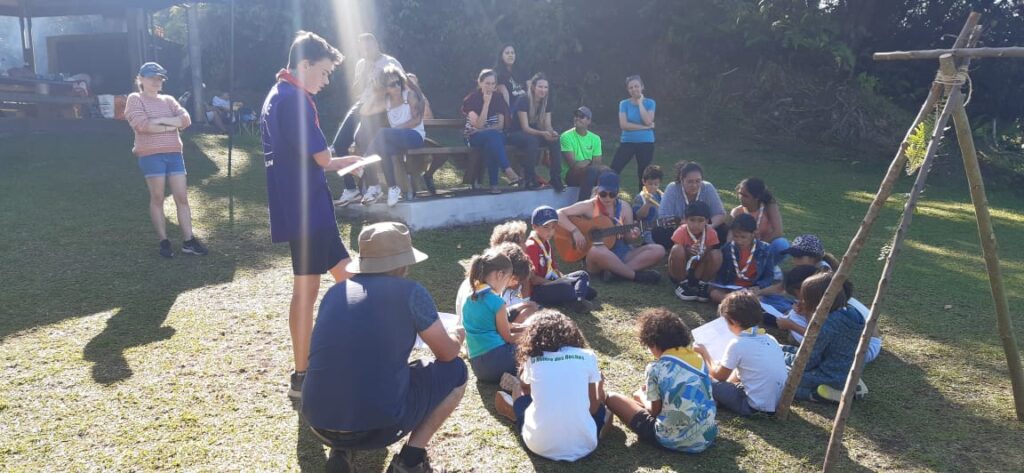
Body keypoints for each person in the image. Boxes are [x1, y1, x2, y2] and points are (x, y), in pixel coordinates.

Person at [301, 222, 467, 473]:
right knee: (457, 371)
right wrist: (457, 336)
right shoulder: (411, 292)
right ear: (402, 264)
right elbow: (447, 354)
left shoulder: (335, 293)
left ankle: (340, 451)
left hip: (317, 421)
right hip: (379, 426)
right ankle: (410, 460)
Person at [260, 31, 357, 399]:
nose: (327, 80)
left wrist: (346, 161)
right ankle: (304, 374)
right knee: (308, 291)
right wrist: (354, 161)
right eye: (324, 71)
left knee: (348, 278)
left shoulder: (275, 95)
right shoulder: (295, 100)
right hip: (308, 211)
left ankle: (319, 365)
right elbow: (323, 159)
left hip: (301, 209)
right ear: (303, 65)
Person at [494, 310, 610, 461]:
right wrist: (599, 386)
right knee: (603, 411)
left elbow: (526, 388)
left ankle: (516, 413)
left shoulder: (533, 360)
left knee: (519, 389)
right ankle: (594, 428)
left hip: (538, 446)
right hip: (586, 446)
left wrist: (528, 378)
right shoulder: (587, 356)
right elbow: (593, 408)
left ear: (533, 338)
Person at [124, 61, 208, 259]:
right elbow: (142, 125)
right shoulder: (135, 99)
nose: (156, 82)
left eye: (160, 78)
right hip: (151, 154)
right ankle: (164, 241)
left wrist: (159, 123)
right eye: (152, 78)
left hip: (174, 153)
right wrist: (172, 125)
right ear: (141, 79)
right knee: (158, 197)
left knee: (182, 197)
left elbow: (185, 119)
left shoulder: (169, 100)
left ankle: (188, 241)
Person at [605, 308, 718, 453]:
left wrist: (641, 396)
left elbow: (654, 411)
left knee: (613, 398)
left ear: (653, 343)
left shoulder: (655, 368)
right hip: (706, 437)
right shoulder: (698, 359)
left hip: (670, 440)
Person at [334, 33, 405, 206]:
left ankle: (375, 186)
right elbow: (357, 89)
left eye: (369, 46)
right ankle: (351, 189)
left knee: (362, 139)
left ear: (376, 44)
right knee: (339, 144)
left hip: (379, 108)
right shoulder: (361, 64)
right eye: (362, 48)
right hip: (362, 104)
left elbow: (401, 86)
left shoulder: (390, 62)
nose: (366, 51)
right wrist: (362, 76)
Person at [556, 172, 664, 284]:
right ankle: (634, 275)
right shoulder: (590, 205)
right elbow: (558, 213)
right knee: (596, 249)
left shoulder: (624, 207)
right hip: (598, 259)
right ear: (597, 191)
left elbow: (628, 240)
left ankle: (616, 272)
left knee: (658, 250)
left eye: (612, 194)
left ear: (617, 192)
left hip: (623, 254)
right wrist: (575, 231)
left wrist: (632, 236)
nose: (607, 198)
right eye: (603, 194)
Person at [694, 291, 788, 417]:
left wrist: (704, 353)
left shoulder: (738, 343)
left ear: (733, 321)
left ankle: (715, 399)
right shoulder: (770, 338)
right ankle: (720, 398)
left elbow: (719, 376)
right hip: (776, 404)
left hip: (752, 407)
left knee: (704, 379)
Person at [782, 271, 868, 403]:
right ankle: (850, 385)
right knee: (783, 350)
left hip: (826, 375)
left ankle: (818, 394)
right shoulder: (852, 313)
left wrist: (786, 362)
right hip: (846, 371)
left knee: (781, 379)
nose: (801, 301)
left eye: (805, 299)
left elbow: (808, 360)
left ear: (818, 301)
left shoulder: (827, 325)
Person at [358, 65, 426, 206]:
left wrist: (396, 129)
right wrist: (376, 95)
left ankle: (364, 164)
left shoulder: (409, 95)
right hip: (398, 140)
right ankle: (392, 188)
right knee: (383, 149)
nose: (397, 86)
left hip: (415, 137)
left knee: (382, 133)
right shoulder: (386, 102)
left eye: (398, 82)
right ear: (385, 88)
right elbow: (364, 111)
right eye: (391, 84)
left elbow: (416, 121)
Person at [462, 248, 533, 382]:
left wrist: (520, 327)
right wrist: (530, 334)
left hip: (479, 368)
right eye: (507, 280)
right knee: (532, 346)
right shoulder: (497, 302)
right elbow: (509, 338)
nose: (506, 285)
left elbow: (492, 326)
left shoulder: (469, 298)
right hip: (498, 361)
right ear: (500, 275)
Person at [525, 206, 598, 310]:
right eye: (546, 227)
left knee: (583, 277)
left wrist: (563, 279)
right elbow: (533, 279)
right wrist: (557, 283)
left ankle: (577, 299)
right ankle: (576, 298)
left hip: (551, 282)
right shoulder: (531, 246)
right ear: (534, 226)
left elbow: (554, 269)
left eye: (553, 227)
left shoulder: (546, 243)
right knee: (568, 289)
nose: (550, 231)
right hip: (538, 289)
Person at [462, 69, 521, 194]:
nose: (490, 87)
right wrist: (486, 104)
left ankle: (495, 184)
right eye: (487, 83)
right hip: (474, 138)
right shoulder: (471, 99)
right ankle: (506, 171)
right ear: (480, 82)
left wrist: (482, 130)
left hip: (493, 136)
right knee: (494, 138)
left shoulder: (498, 98)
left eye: (493, 84)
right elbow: (477, 124)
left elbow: (499, 126)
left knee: (492, 141)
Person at [505, 73, 564, 191]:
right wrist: (543, 134)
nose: (543, 90)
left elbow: (547, 125)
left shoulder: (547, 102)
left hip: (533, 133)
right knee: (532, 141)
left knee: (555, 140)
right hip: (516, 133)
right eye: (540, 87)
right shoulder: (524, 100)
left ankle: (556, 178)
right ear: (533, 87)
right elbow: (525, 128)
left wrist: (552, 133)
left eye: (545, 87)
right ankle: (530, 178)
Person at [656, 161, 728, 251]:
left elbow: (720, 214)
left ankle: (706, 248)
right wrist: (688, 225)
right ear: (682, 180)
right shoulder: (672, 188)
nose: (694, 185)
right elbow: (663, 217)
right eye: (690, 182)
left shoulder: (708, 187)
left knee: (723, 229)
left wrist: (708, 227)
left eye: (698, 181)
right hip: (679, 229)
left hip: (704, 227)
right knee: (659, 231)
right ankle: (681, 247)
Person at [708, 214, 776, 303]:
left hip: (752, 289)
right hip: (730, 288)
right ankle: (739, 302)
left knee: (760, 299)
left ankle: (736, 303)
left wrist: (759, 287)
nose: (739, 241)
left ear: (753, 234)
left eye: (743, 237)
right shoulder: (728, 248)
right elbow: (721, 275)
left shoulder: (765, 250)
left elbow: (769, 276)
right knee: (715, 294)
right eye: (735, 236)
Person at [669, 201, 723, 302]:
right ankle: (682, 284)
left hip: (698, 269)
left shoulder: (711, 233)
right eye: (692, 220)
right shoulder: (680, 231)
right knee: (677, 249)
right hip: (681, 269)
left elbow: (708, 256)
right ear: (685, 220)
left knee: (717, 254)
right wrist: (688, 251)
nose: (696, 225)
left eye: (700, 221)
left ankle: (703, 284)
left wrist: (701, 252)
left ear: (707, 221)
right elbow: (675, 256)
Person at [610, 75, 656, 191]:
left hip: (646, 142)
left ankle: (643, 201)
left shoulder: (650, 103)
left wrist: (640, 103)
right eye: (631, 87)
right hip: (627, 142)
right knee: (614, 169)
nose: (634, 89)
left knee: (644, 173)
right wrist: (645, 127)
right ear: (628, 90)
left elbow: (648, 120)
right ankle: (609, 194)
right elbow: (624, 125)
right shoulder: (624, 104)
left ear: (642, 87)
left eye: (636, 86)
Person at [732, 177, 789, 260]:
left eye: (745, 196)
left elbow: (778, 232)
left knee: (782, 244)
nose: (741, 197)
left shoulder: (769, 206)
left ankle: (769, 267)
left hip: (765, 244)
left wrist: (759, 245)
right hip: (745, 247)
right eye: (740, 194)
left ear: (757, 197)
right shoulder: (737, 212)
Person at [560, 106, 609, 201]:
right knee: (592, 171)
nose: (577, 118)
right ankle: (582, 205)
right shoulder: (565, 136)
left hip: (590, 173)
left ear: (589, 121)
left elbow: (597, 163)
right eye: (576, 115)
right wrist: (590, 162)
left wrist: (587, 162)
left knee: (608, 173)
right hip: (571, 175)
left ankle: (609, 206)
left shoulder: (595, 138)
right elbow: (574, 165)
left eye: (581, 116)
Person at [632, 164, 663, 246]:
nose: (653, 187)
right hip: (646, 230)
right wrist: (647, 204)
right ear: (643, 182)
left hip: (660, 227)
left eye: (656, 184)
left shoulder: (661, 195)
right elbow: (638, 216)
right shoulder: (639, 198)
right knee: (652, 242)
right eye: (650, 184)